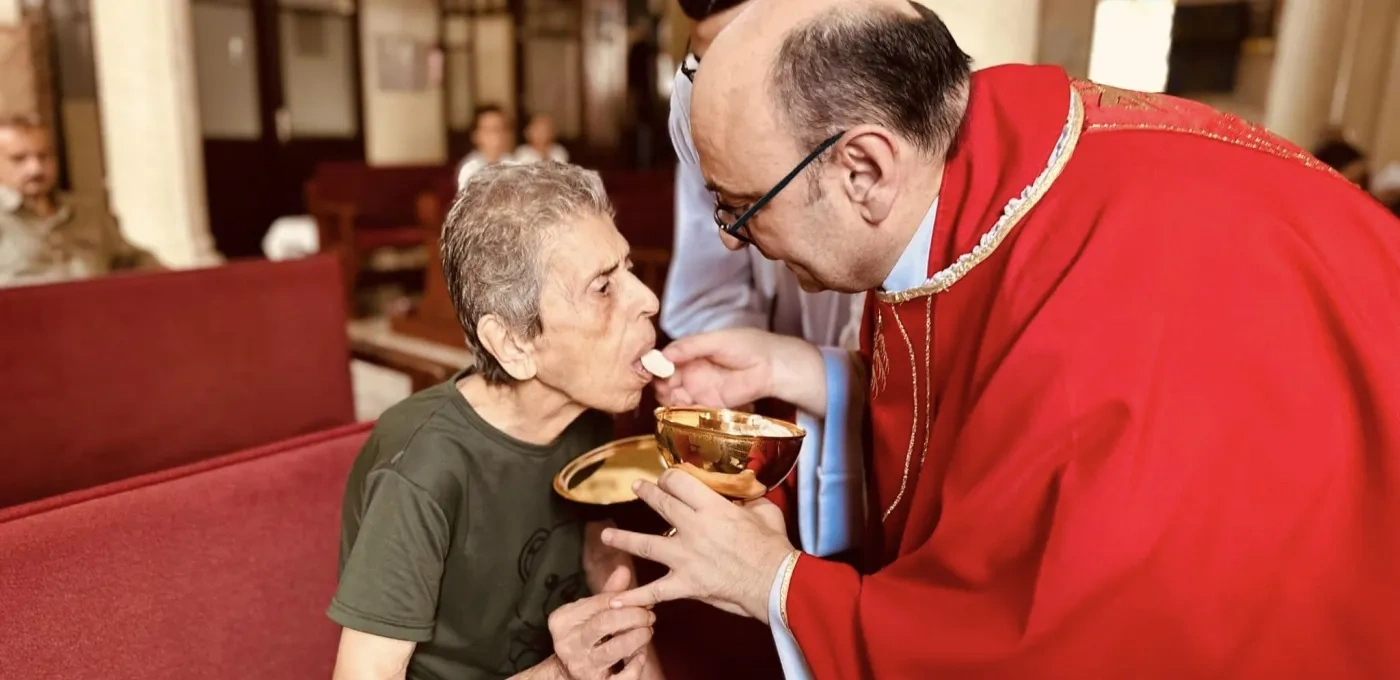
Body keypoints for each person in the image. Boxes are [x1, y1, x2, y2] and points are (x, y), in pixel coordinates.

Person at [601, 0, 1400, 677]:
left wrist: (773, 582)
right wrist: (815, 371)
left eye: (742, 207)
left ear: (864, 170)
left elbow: (1059, 641)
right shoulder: (982, 182)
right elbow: (985, 400)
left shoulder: (1104, 323)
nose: (732, 241)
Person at [329, 162, 666, 680]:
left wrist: (618, 596)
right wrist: (561, 673)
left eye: (629, 270)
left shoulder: (586, 413)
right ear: (513, 343)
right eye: (603, 287)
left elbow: (596, 548)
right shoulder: (422, 471)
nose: (649, 299)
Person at [665, 0, 864, 354]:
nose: (720, 93)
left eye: (741, 66)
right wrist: (744, 358)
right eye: (704, 64)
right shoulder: (710, 128)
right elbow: (709, 293)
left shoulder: (867, 128)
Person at [0, 115, 160, 287]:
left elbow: (132, 261)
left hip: (97, 309)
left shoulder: (88, 212)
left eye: (44, 156)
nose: (35, 169)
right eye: (19, 159)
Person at [456, 105, 517, 188]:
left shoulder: (515, 163)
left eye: (502, 128)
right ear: (476, 136)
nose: (498, 135)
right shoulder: (469, 168)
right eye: (490, 129)